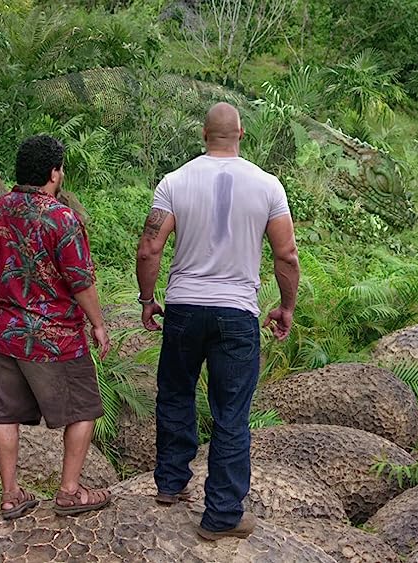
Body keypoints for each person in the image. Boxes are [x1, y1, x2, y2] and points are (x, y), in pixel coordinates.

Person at [136, 102, 300, 540]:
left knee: (175, 394)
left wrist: (148, 299)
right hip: (237, 314)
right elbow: (286, 254)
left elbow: (150, 248)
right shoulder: (268, 186)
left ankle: (171, 485)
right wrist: (286, 306)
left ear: (204, 135)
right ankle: (222, 515)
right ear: (241, 134)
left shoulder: (175, 181)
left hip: (185, 308)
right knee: (231, 414)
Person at [0, 134, 113, 520]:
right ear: (53, 172)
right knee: (83, 409)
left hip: (5, 333)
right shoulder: (60, 218)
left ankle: (11, 495)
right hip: (56, 338)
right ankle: (68, 491)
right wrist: (98, 324)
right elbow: (80, 280)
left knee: (6, 413)